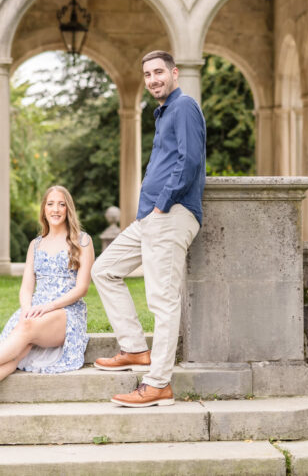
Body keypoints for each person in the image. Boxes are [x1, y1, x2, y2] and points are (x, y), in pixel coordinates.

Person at [91, 50, 206, 408]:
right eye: (147, 75)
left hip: (171, 215)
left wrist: (164, 200)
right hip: (150, 218)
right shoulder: (164, 113)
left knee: (162, 300)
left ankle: (158, 384)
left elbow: (190, 160)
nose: (153, 79)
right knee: (104, 270)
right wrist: (150, 210)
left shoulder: (185, 106)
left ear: (174, 73)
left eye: (159, 72)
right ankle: (136, 348)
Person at [0, 185, 94, 409]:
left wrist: (48, 307)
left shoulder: (82, 241)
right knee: (20, 348)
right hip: (34, 313)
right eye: (51, 204)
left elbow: (82, 288)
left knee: (25, 330)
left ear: (68, 209)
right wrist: (27, 309)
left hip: (66, 313)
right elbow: (26, 287)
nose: (56, 209)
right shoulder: (35, 245)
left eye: (61, 204)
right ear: (44, 209)